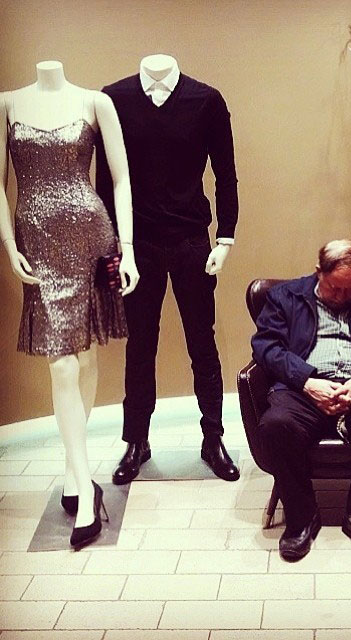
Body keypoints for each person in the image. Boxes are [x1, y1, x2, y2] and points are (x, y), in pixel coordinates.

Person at [0, 60, 139, 548]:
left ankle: (74, 476)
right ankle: (85, 489)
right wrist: (8, 245)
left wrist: (127, 249)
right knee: (62, 366)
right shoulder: (7, 105)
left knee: (85, 355)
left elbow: (121, 180)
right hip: (36, 242)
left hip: (90, 235)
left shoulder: (95, 102)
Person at [95, 54, 240, 484]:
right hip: (136, 243)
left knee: (202, 343)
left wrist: (226, 237)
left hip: (191, 239)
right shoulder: (114, 99)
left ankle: (213, 437)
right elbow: (106, 178)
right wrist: (113, 245)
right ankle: (136, 441)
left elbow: (226, 173)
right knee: (140, 345)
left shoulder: (206, 100)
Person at [251, 239, 351, 563]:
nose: (341, 297)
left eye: (350, 290)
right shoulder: (285, 297)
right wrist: (306, 381)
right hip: (303, 388)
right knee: (276, 424)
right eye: (334, 288)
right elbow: (265, 346)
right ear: (318, 272)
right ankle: (301, 519)